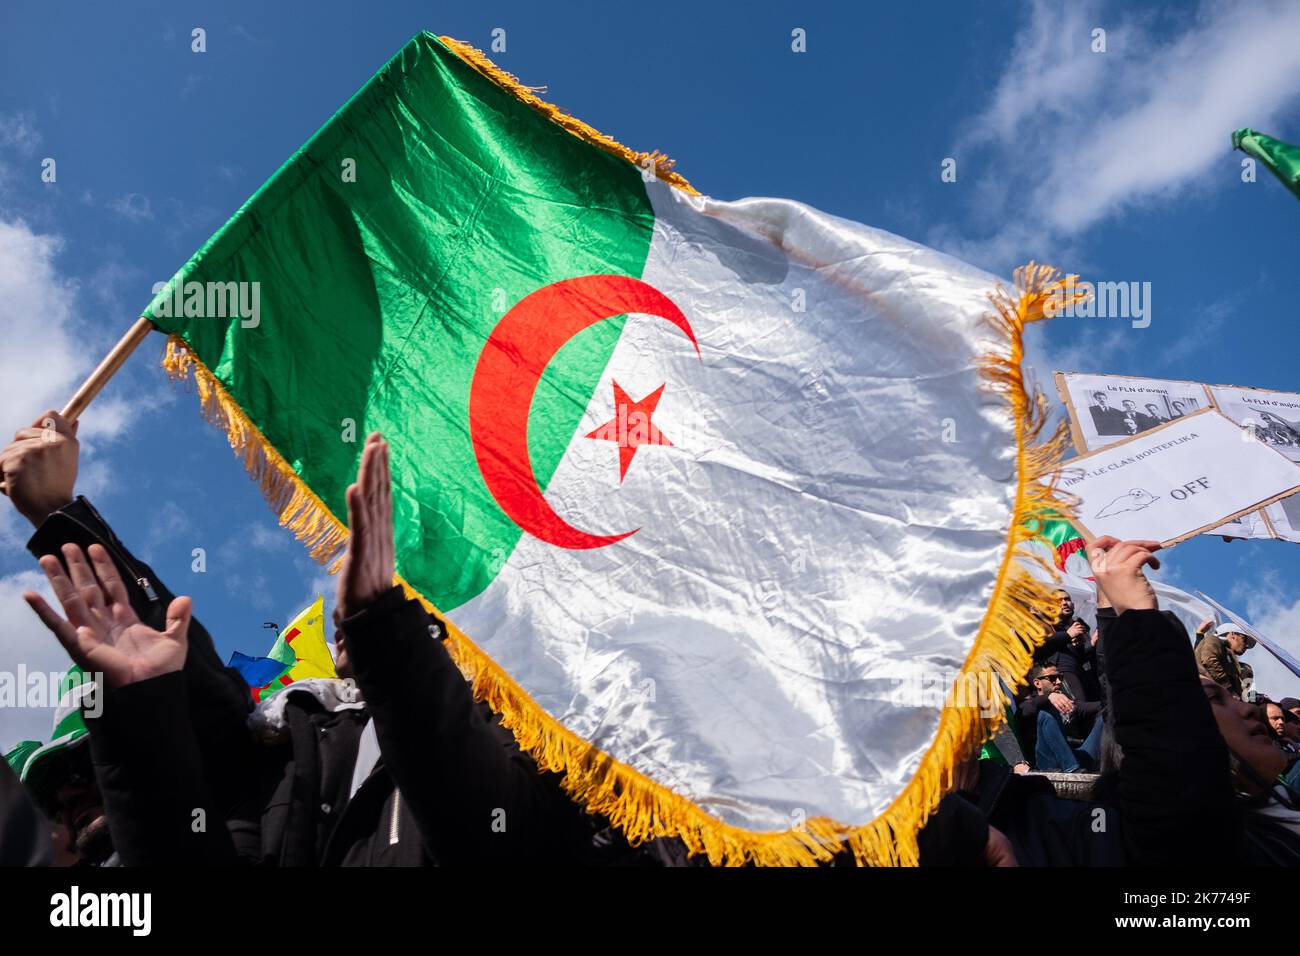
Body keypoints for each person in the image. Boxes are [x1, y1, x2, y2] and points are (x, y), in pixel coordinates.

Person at [20, 432, 674, 866]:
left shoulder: (563, 749)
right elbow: (179, 669)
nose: (351, 601)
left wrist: (386, 635)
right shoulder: (289, 743)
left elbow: (479, 820)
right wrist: (58, 516)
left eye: (388, 592)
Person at [1196, 622, 1249, 698]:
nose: (1246, 645)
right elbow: (1208, 660)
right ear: (1233, 635)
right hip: (1212, 697)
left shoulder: (1239, 666)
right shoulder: (1213, 639)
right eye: (1244, 639)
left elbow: (1249, 692)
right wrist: (1230, 691)